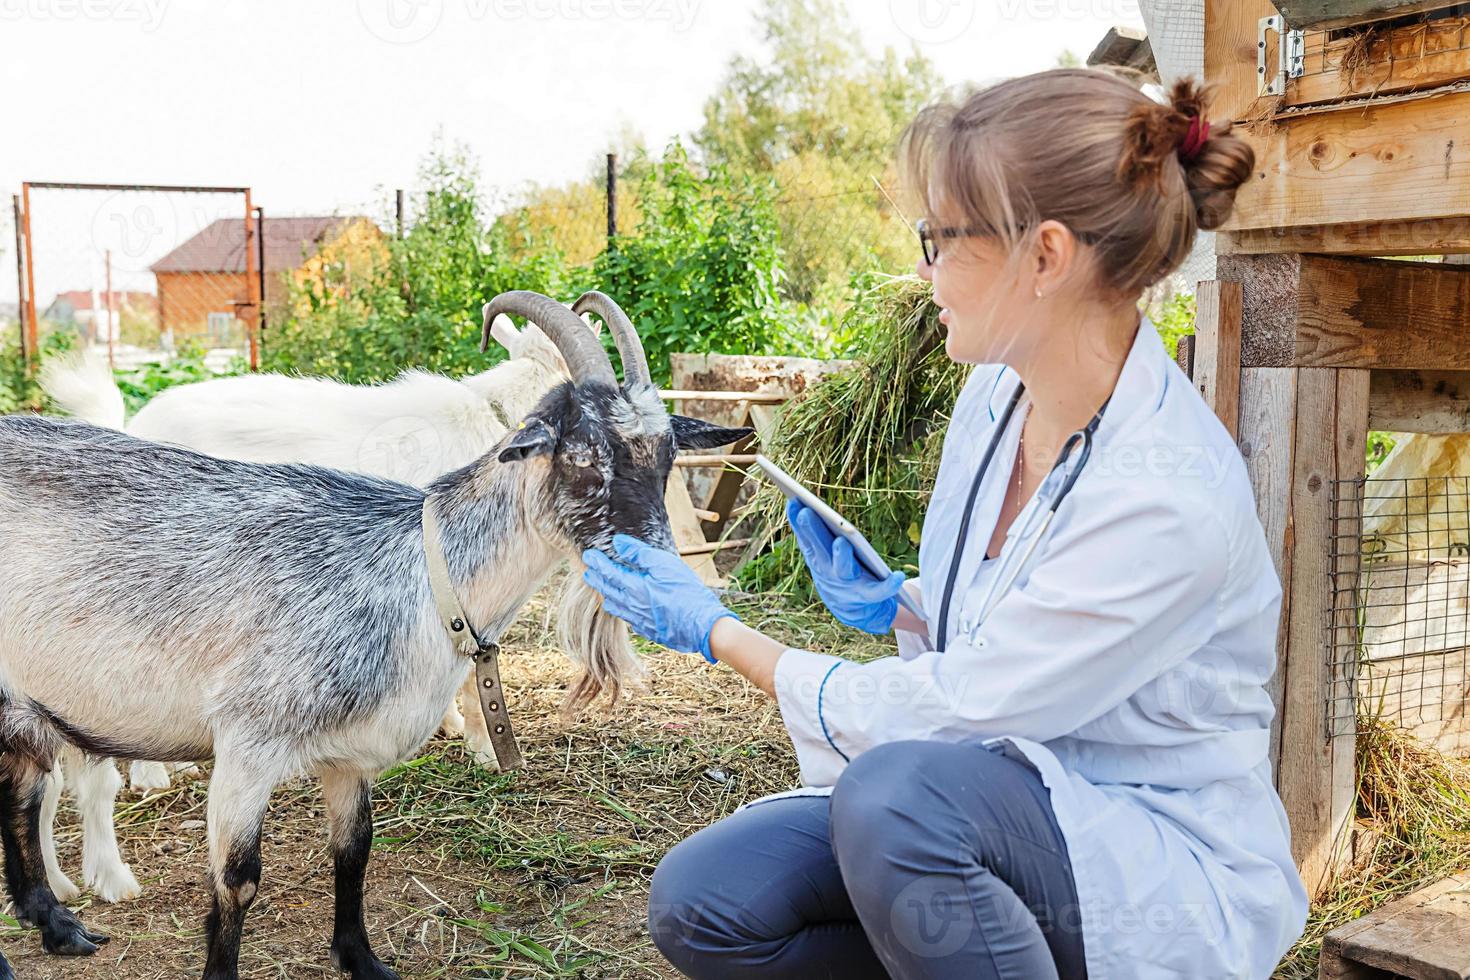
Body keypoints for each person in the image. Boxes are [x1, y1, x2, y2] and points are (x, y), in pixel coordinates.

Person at [579, 68, 1309, 980]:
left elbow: (962, 711)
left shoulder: (1168, 493)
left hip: (1145, 854)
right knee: (709, 899)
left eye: (941, 238)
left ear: (1044, 257)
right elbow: (1030, 634)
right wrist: (903, 608)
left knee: (896, 801)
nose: (922, 269)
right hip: (993, 804)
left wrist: (719, 632)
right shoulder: (997, 396)